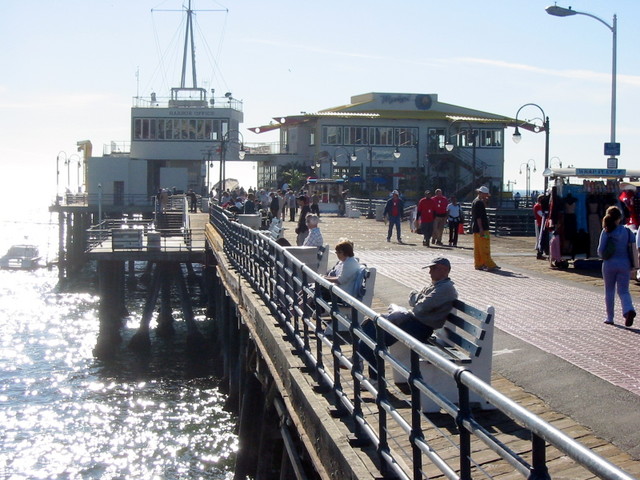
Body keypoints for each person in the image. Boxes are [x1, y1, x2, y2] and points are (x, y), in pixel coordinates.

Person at [357, 256, 458, 380]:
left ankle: (365, 365)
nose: (430, 272)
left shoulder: (445, 288)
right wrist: (418, 299)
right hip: (412, 322)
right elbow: (413, 298)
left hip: (420, 328)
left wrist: (418, 298)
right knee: (370, 324)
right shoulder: (436, 286)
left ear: (444, 270)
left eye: (433, 268)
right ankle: (363, 362)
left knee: (375, 336)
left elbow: (420, 307)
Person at [597, 206, 636, 326]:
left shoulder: (606, 231)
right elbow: (634, 249)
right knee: (624, 291)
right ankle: (628, 309)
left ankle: (610, 317)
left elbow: (600, 250)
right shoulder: (628, 231)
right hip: (624, 263)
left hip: (609, 264)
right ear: (619, 218)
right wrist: (635, 266)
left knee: (609, 291)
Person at [471, 186, 499, 271]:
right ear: (481, 193)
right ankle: (489, 264)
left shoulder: (475, 201)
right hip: (481, 228)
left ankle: (479, 263)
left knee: (478, 248)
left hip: (476, 228)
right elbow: (479, 217)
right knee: (484, 247)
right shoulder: (479, 203)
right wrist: (481, 229)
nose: (486, 196)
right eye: (485, 194)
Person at [533, 194, 545, 259]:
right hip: (540, 223)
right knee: (541, 239)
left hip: (541, 223)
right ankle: (539, 253)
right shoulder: (537, 206)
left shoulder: (538, 206)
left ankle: (541, 252)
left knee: (541, 239)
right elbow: (541, 214)